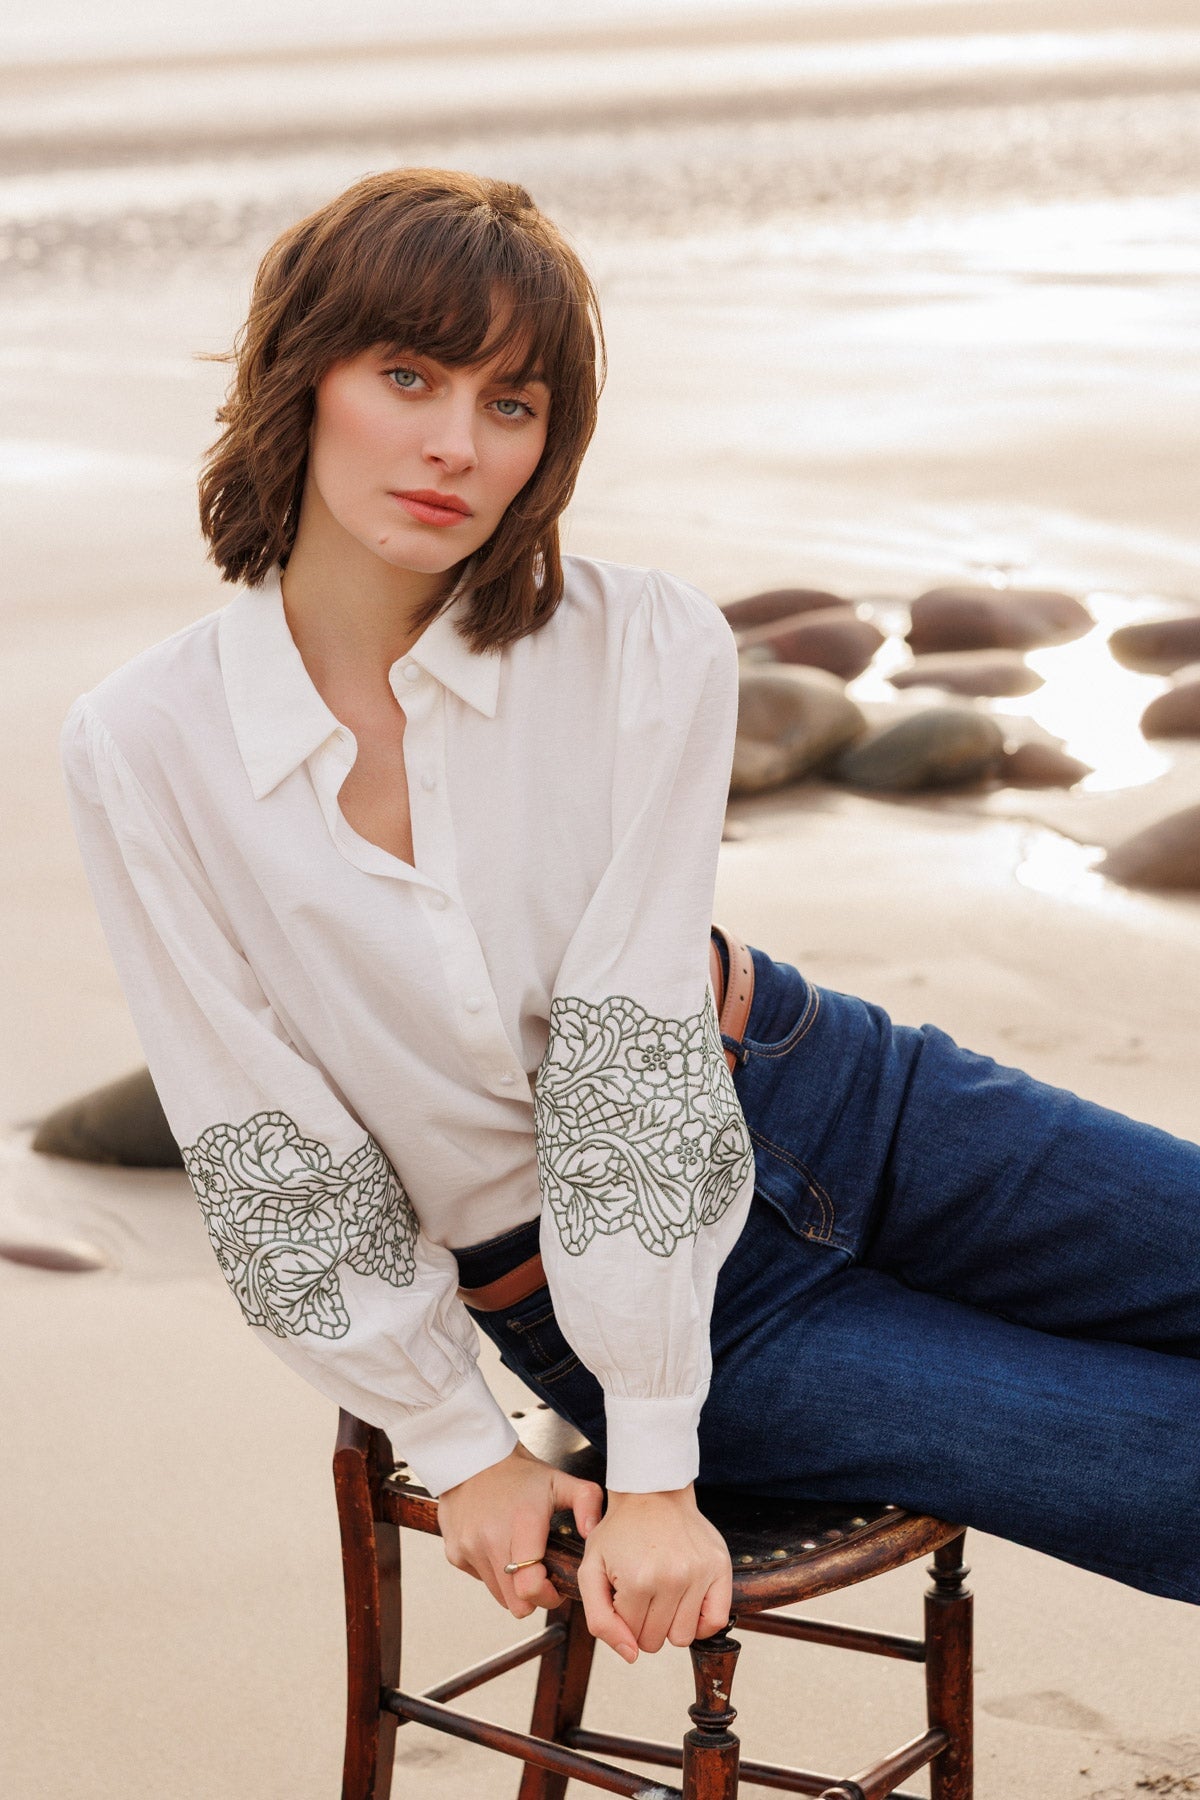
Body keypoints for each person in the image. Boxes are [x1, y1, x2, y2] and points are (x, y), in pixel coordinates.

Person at [60, 170, 1200, 1674]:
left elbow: (631, 1036)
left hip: (845, 1096)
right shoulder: (145, 745)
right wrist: (478, 1445)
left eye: (512, 403)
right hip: (642, 1299)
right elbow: (257, 1131)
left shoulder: (642, 644)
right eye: (407, 376)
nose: (457, 445)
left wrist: (656, 1465)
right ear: (301, 376)